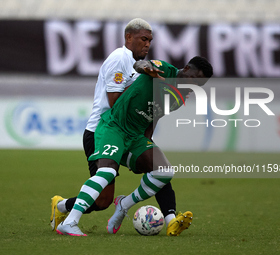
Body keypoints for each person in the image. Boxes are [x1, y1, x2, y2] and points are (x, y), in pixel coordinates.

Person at [55, 56, 213, 236]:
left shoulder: (178, 98)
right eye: (194, 79)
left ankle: (123, 205)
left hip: (136, 137)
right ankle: (69, 222)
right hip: (115, 127)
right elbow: (140, 64)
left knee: (164, 171)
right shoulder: (163, 69)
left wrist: (144, 147)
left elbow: (154, 117)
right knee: (106, 174)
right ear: (186, 68)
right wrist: (147, 68)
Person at [50, 18, 181, 236]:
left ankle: (171, 219)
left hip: (127, 132)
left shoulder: (142, 66)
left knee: (157, 165)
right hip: (102, 130)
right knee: (102, 201)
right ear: (128, 37)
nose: (147, 44)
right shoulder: (119, 59)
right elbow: (115, 103)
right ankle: (62, 206)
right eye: (143, 39)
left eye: (150, 40)